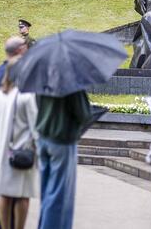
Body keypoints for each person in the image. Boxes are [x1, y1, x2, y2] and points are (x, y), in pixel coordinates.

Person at [35, 88, 92, 229]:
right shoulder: (71, 81)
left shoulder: (42, 76)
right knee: (59, 194)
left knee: (46, 190)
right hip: (62, 140)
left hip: (43, 139)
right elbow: (84, 114)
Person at [0, 63, 38, 229]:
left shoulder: (0, 94)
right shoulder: (27, 96)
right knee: (22, 195)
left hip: (3, 150)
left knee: (4, 193)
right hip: (22, 150)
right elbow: (35, 128)